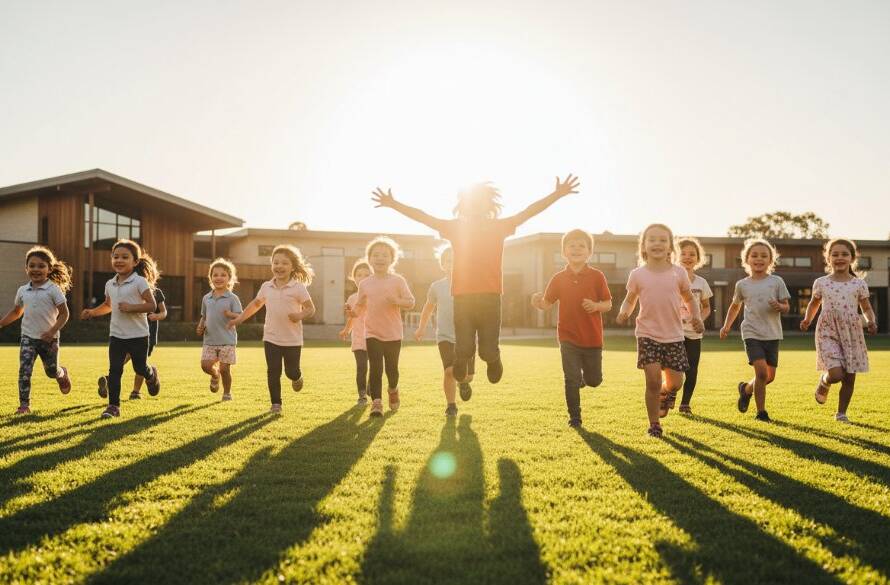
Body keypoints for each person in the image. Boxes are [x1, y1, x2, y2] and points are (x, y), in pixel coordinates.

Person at [372, 174, 580, 387]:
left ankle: (493, 359)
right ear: (463, 206)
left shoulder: (499, 227)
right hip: (462, 298)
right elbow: (424, 217)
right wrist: (394, 204)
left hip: (490, 298)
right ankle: (461, 358)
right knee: (463, 348)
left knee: (487, 351)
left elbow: (528, 212)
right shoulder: (455, 228)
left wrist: (556, 194)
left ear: (487, 205)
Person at [616, 224, 703, 438]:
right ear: (643, 246)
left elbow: (689, 298)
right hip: (647, 334)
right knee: (653, 381)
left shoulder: (678, 273)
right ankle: (654, 424)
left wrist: (696, 317)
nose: (657, 243)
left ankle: (667, 392)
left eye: (663, 240)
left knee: (676, 382)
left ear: (670, 247)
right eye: (652, 239)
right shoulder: (638, 274)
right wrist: (624, 312)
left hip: (673, 336)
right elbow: (629, 300)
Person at [531, 230, 611, 427]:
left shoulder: (597, 276)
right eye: (572, 246)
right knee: (571, 379)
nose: (576, 249)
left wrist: (595, 306)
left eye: (581, 246)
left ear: (589, 252)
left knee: (594, 380)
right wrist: (537, 303)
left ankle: (584, 379)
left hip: (592, 338)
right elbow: (547, 304)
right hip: (568, 337)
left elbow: (608, 303)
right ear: (564, 252)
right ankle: (575, 417)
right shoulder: (558, 278)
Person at [228, 245, 315, 414]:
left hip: (292, 339)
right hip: (271, 337)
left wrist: (299, 315)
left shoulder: (298, 287)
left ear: (292, 267)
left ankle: (297, 377)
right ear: (271, 265)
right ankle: (276, 404)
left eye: (284, 263)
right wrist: (239, 319)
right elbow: (256, 304)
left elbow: (311, 309)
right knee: (273, 371)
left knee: (291, 371)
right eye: (276, 262)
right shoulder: (266, 286)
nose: (279, 266)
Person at [81, 239, 161, 418]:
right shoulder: (110, 284)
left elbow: (151, 305)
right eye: (115, 256)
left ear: (135, 262)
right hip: (116, 335)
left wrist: (132, 307)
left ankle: (151, 374)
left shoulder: (139, 282)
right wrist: (93, 312)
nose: (119, 260)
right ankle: (113, 406)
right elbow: (109, 305)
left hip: (138, 335)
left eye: (125, 257)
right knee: (115, 370)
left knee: (139, 368)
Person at [800, 238, 877, 423]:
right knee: (836, 374)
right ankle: (825, 381)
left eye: (844, 254)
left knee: (849, 377)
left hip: (852, 333)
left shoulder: (858, 284)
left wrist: (871, 321)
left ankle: (841, 413)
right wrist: (807, 319)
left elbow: (866, 307)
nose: (840, 257)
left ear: (852, 258)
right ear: (828, 258)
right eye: (835, 254)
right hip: (828, 331)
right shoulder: (821, 282)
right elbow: (814, 304)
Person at [720, 238, 790, 423]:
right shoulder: (742, 285)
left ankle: (746, 389)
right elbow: (735, 307)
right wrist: (727, 326)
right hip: (751, 333)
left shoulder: (777, 282)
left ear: (770, 260)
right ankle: (761, 413)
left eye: (764, 256)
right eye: (754, 255)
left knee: (769, 377)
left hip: (772, 333)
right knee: (761, 373)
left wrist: (779, 306)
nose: (759, 259)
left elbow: (786, 306)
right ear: (747, 259)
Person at [0, 246, 73, 414]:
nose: (36, 269)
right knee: (24, 371)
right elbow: (16, 312)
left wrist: (52, 331)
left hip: (49, 339)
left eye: (41, 266)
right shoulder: (22, 290)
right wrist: (2, 323)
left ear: (49, 269)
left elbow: (64, 314)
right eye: (32, 266)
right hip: (28, 338)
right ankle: (24, 406)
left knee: (51, 371)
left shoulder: (53, 290)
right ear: (26, 268)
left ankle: (62, 374)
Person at [356, 236, 415, 417]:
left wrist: (396, 301)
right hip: (372, 332)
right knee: (375, 368)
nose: (380, 258)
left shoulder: (398, 281)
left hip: (393, 333)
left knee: (392, 370)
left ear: (392, 259)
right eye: (376, 255)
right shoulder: (365, 284)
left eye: (384, 255)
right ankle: (376, 403)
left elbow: (411, 302)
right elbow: (360, 305)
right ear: (370, 258)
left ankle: (393, 389)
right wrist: (352, 313)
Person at [415, 245, 476, 417]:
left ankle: (463, 383)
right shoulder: (437, 287)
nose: (453, 264)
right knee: (449, 371)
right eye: (449, 261)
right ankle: (451, 405)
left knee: (468, 376)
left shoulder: (471, 285)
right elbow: (428, 309)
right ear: (443, 264)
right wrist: (421, 328)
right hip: (445, 337)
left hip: (467, 337)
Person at [675, 237, 713, 415]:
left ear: (698, 258)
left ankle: (685, 403)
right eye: (683, 253)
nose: (687, 257)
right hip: (673, 332)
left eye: (692, 254)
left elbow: (706, 308)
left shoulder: (701, 283)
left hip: (694, 335)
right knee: (674, 368)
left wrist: (700, 320)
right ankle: (669, 394)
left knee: (691, 368)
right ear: (675, 256)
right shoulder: (670, 279)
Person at [197, 259, 242, 401]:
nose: (219, 278)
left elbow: (241, 315)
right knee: (205, 366)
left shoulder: (232, 298)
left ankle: (227, 393)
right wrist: (200, 326)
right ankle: (214, 375)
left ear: (229, 278)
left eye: (223, 275)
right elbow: (204, 316)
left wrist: (230, 315)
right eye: (215, 275)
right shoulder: (206, 298)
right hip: (210, 339)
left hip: (227, 340)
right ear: (211, 278)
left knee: (225, 369)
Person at [340, 259, 372, 405]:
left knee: (376, 367)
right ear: (354, 278)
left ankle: (371, 387)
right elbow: (353, 317)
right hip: (359, 338)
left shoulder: (375, 296)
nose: (362, 278)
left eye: (366, 275)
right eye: (359, 275)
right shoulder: (352, 298)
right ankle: (362, 395)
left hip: (375, 337)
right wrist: (346, 330)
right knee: (361, 367)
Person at [128, 285, 167, 399]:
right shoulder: (131, 290)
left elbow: (164, 312)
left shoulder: (156, 292)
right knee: (126, 357)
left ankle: (136, 391)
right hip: (131, 332)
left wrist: (157, 315)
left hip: (148, 335)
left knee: (140, 362)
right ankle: (110, 381)